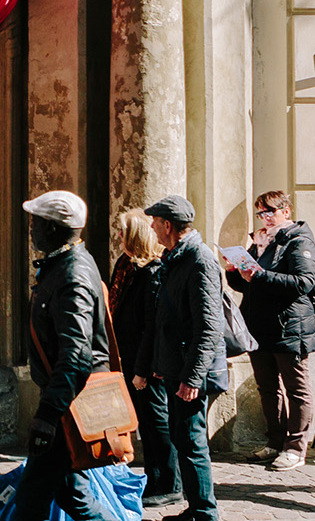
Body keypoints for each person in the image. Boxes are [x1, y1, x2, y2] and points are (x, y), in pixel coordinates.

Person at [17, 190, 112, 521]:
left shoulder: (72, 275)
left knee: (32, 497)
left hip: (67, 406)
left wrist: (47, 415)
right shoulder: (61, 265)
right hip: (62, 401)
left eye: (36, 223)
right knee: (72, 494)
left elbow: (75, 355)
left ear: (54, 228)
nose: (30, 229)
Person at [226, 189, 315, 471]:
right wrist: (235, 272)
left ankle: (295, 447)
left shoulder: (298, 239)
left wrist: (261, 274)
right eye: (261, 212)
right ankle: (274, 441)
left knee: (296, 387)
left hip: (290, 325)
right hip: (259, 325)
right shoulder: (259, 241)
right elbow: (246, 285)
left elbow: (303, 282)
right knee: (267, 387)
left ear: (286, 211)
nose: (265, 217)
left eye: (270, 211)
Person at [144, 194, 226, 521]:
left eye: (155, 222)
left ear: (168, 225)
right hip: (177, 365)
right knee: (183, 439)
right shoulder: (176, 256)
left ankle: (206, 514)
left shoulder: (199, 260)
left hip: (193, 371)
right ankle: (196, 509)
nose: (151, 227)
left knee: (192, 443)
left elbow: (208, 325)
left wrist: (192, 378)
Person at [113, 208, 181, 509]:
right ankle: (153, 479)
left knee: (157, 423)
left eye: (122, 231)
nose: (118, 236)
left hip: (148, 364)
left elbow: (150, 327)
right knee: (146, 424)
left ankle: (169, 483)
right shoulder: (126, 265)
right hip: (128, 357)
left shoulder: (152, 272)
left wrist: (142, 369)